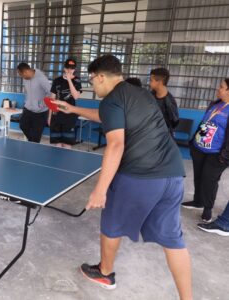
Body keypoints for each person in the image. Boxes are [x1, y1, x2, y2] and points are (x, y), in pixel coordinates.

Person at [53, 55, 192, 299]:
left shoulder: (112, 100)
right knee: (173, 240)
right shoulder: (140, 94)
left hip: (140, 175)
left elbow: (116, 145)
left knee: (111, 225)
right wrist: (73, 108)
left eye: (92, 81)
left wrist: (100, 189)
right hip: (173, 175)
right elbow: (108, 116)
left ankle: (105, 272)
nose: (93, 86)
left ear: (101, 77)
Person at [182, 78, 229, 222]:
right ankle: (198, 201)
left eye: (221, 87)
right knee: (198, 176)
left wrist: (224, 155)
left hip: (216, 153)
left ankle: (207, 208)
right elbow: (205, 123)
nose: (218, 89)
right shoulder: (215, 104)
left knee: (209, 180)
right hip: (199, 148)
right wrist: (193, 142)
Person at [48, 58, 82, 149]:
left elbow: (76, 96)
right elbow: (52, 99)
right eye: (68, 68)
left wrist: (69, 80)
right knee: (57, 144)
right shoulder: (57, 80)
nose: (69, 70)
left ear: (74, 69)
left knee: (67, 144)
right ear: (64, 68)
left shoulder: (77, 81)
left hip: (69, 117)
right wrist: (50, 116)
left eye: (72, 68)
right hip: (56, 116)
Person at [17, 62, 51, 143]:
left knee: (36, 138)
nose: (22, 78)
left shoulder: (41, 78)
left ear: (26, 72)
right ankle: (32, 142)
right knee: (23, 125)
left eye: (22, 75)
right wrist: (27, 102)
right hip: (28, 109)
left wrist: (41, 104)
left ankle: (33, 145)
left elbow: (50, 93)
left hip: (41, 112)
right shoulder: (26, 78)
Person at [149, 68, 179, 135]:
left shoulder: (170, 102)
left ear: (159, 82)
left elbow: (174, 123)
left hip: (164, 138)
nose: (149, 82)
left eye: (151, 80)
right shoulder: (149, 96)